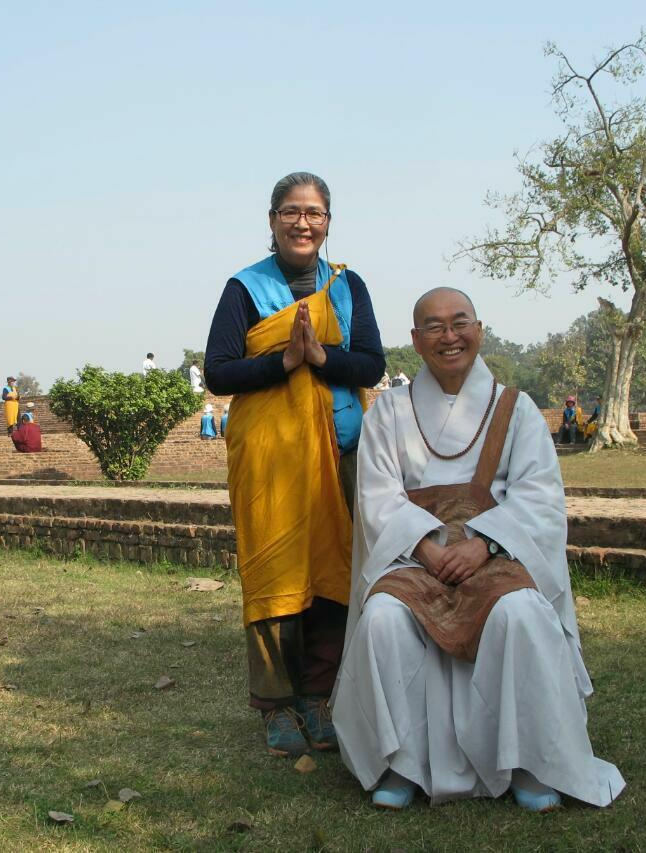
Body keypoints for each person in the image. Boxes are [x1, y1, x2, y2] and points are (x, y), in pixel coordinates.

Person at [332, 287, 624, 813]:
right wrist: (425, 547)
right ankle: (403, 765)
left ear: (480, 330)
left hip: (497, 557)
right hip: (415, 559)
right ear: (416, 340)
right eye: (435, 327)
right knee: (382, 619)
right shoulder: (390, 412)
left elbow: (538, 496)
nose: (450, 337)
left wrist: (485, 543)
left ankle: (530, 764)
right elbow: (376, 494)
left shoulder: (518, 410)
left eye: (460, 322)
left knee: (522, 613)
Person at [204, 171, 385, 757]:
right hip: (273, 462)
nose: (302, 222)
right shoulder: (245, 288)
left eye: (313, 212)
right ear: (272, 220)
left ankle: (317, 695)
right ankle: (278, 706)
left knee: (333, 574)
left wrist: (321, 356)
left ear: (328, 222)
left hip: (343, 455)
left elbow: (371, 365)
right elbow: (220, 371)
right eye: (290, 211)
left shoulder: (347, 286)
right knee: (276, 574)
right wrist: (284, 362)